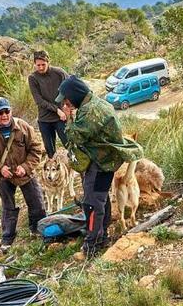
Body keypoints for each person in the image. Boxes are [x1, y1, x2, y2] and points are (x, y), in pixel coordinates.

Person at [56, 75, 142, 257]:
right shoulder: (95, 103)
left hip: (100, 163)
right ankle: (102, 237)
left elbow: (74, 136)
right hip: (105, 161)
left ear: (74, 95)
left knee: (91, 204)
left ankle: (93, 243)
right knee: (100, 199)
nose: (65, 103)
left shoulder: (91, 111)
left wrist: (69, 119)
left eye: (66, 100)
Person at [0, 97, 47, 252]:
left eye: (7, 111)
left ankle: (39, 230)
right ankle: (7, 237)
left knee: (36, 203)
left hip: (25, 174)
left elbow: (37, 149)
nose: (4, 115)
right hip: (5, 176)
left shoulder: (23, 126)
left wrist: (25, 167)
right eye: (0, 112)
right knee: (8, 208)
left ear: (11, 111)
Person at [28, 50, 69, 158]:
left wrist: (68, 107)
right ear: (34, 64)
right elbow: (39, 100)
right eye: (38, 65)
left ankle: (81, 171)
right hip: (45, 119)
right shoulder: (33, 78)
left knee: (69, 146)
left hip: (61, 118)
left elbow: (70, 88)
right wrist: (57, 110)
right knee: (50, 152)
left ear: (48, 62)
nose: (41, 67)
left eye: (43, 64)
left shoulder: (59, 73)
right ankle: (56, 174)